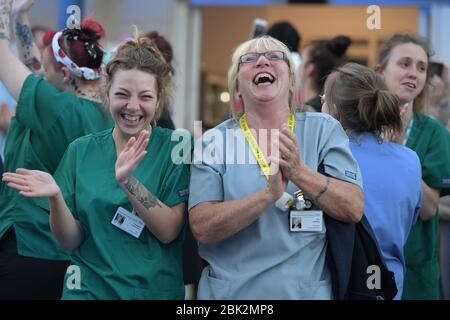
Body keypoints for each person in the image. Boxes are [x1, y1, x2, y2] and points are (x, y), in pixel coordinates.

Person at [3, 35, 191, 300]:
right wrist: (56, 198)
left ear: (159, 98)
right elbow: (70, 241)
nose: (133, 107)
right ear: (107, 93)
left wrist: (129, 183)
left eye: (145, 97)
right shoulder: (81, 150)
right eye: (122, 94)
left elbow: (169, 230)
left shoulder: (176, 146)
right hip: (88, 292)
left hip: (151, 292)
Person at [188, 35, 364, 299]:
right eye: (249, 59)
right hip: (232, 296)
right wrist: (266, 196)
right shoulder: (214, 141)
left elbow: (353, 207)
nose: (262, 61)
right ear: (237, 86)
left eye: (274, 56)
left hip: (304, 293)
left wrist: (300, 173)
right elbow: (202, 226)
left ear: (292, 82)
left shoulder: (323, 129)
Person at [0, 0, 112, 299]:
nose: (38, 65)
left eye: (46, 61)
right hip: (69, 248)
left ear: (64, 76)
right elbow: (33, 68)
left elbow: (4, 59)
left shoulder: (57, 106)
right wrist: (20, 15)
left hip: (30, 242)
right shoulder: (101, 112)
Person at [322, 62, 422, 299]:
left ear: (334, 110)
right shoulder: (410, 159)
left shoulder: (325, 157)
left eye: (323, 99)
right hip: (389, 286)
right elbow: (407, 221)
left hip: (341, 285)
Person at [376, 33, 450, 300]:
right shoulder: (357, 128)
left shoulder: (434, 133)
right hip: (365, 263)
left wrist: (397, 152)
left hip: (415, 273)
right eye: (404, 64)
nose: (414, 74)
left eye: (421, 68)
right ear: (380, 71)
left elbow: (429, 208)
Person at [299, 35, 352, 112]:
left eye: (301, 61)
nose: (297, 67)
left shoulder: (303, 114)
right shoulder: (336, 110)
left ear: (309, 68)